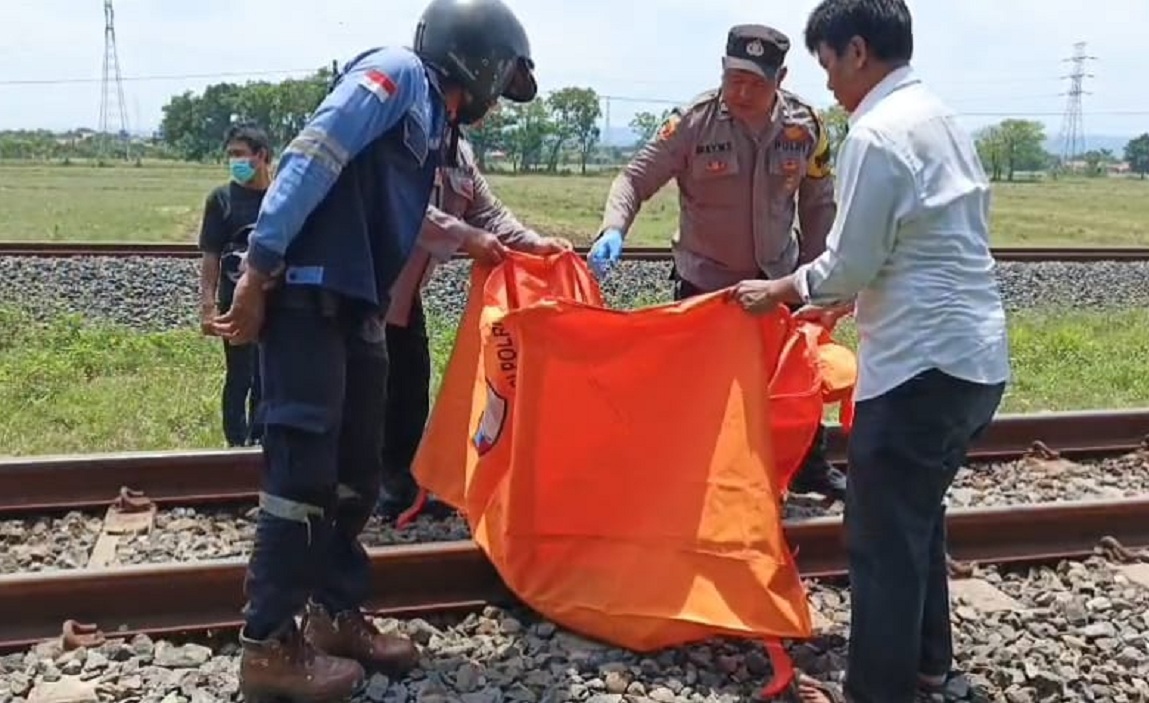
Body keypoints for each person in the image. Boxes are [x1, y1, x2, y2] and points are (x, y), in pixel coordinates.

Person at [209, 0, 538, 699]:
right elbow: (312, 154)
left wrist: (518, 245)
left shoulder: (437, 123)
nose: (498, 96)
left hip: (358, 304)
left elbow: (412, 212)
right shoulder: (396, 75)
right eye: (502, 76)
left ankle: (334, 616)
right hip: (307, 297)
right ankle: (268, 647)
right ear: (478, 61)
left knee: (356, 472)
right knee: (302, 476)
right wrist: (260, 268)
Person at [728, 1, 1010, 700]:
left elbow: (848, 261)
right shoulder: (939, 117)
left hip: (919, 366)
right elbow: (922, 240)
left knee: (880, 537)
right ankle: (929, 665)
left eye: (827, 64)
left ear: (857, 51)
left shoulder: (878, 134)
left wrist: (784, 289)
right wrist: (843, 294)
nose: (827, 83)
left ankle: (877, 690)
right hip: (975, 361)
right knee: (916, 518)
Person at [589, 23, 847, 502]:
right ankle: (696, 483)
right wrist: (613, 229)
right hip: (706, 285)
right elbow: (634, 179)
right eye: (734, 79)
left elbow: (818, 205)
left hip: (779, 280)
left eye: (756, 83)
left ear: (781, 78)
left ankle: (807, 468)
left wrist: (815, 282)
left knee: (796, 380)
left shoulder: (805, 126)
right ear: (723, 70)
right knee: (698, 391)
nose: (742, 92)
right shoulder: (693, 123)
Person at [377, 136, 572, 524]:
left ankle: (400, 486)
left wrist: (534, 244)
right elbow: (405, 206)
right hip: (360, 290)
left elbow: (487, 212)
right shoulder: (400, 137)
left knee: (408, 388)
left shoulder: (459, 153)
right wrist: (466, 238)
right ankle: (352, 493)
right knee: (365, 393)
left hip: (401, 299)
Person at [197, 124, 272, 448]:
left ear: (262, 156)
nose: (235, 162)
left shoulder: (280, 198)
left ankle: (261, 439)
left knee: (267, 378)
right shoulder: (221, 199)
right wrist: (208, 306)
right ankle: (235, 444)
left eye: (240, 154)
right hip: (234, 303)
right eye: (230, 155)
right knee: (239, 375)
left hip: (274, 302)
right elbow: (210, 256)